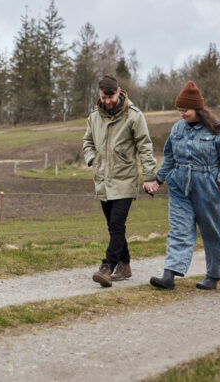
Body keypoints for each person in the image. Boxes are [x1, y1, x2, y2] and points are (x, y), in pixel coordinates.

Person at [149, 81, 220, 291]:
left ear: (198, 108)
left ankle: (213, 275)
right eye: (179, 110)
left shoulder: (219, 130)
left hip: (208, 186)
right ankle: (169, 275)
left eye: (185, 110)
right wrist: (158, 179)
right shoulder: (177, 128)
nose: (181, 114)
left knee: (211, 232)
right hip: (180, 184)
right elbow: (170, 157)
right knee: (179, 228)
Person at [82, 74, 159, 287]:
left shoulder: (134, 116)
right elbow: (87, 141)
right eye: (102, 97)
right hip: (103, 179)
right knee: (113, 226)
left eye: (109, 96)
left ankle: (107, 267)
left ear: (118, 92)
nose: (106, 101)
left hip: (125, 179)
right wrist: (92, 158)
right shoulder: (94, 117)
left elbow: (145, 146)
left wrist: (150, 176)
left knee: (116, 224)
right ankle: (125, 265)